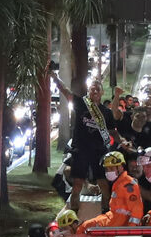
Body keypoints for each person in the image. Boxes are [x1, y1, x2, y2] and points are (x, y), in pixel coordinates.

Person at [49, 68, 120, 213]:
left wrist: (122, 142)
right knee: (77, 184)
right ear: (88, 91)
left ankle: (106, 212)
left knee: (103, 183)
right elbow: (65, 91)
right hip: (80, 149)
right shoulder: (81, 103)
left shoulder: (106, 113)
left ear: (102, 93)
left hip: (99, 151)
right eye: (92, 90)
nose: (94, 92)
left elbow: (113, 132)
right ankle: (74, 212)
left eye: (97, 90)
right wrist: (55, 78)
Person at [78, 151, 143, 231]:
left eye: (111, 168)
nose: (109, 171)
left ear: (121, 167)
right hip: (114, 220)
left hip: (118, 224)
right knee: (85, 225)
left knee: (84, 227)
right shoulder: (119, 183)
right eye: (107, 169)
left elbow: (137, 210)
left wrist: (131, 231)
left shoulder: (128, 185)